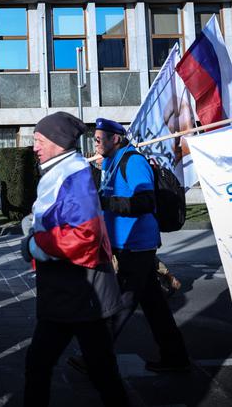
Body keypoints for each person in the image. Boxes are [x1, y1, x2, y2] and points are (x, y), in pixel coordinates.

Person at [20, 112, 128, 407]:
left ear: (56, 142)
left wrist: (34, 244)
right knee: (99, 370)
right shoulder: (64, 172)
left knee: (44, 365)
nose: (35, 147)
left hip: (80, 289)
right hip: (74, 289)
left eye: (39, 140)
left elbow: (84, 235)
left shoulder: (73, 176)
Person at [92, 118, 190, 372]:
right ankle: (176, 359)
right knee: (155, 308)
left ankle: (95, 357)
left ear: (116, 139)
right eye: (95, 138)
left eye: (100, 137)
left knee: (120, 303)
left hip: (136, 246)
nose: (96, 142)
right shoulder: (112, 163)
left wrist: (107, 203)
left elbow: (145, 201)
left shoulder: (133, 161)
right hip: (125, 244)